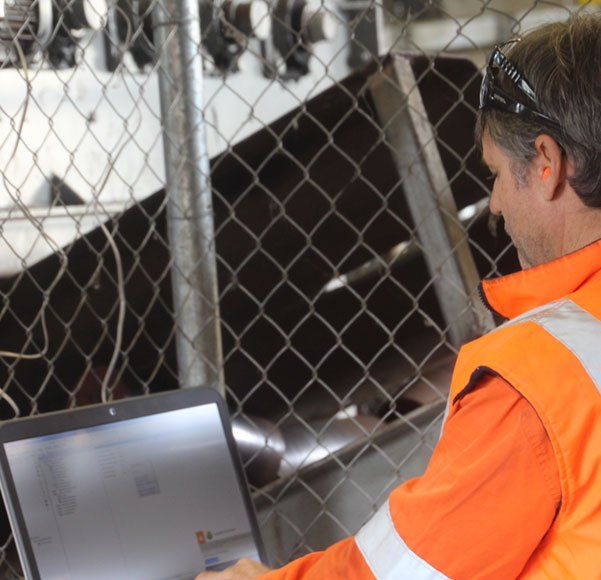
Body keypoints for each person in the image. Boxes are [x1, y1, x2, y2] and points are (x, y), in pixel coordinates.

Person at [197, 12, 601, 579]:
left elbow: (405, 572)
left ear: (546, 164)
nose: (497, 206)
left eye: (498, 174)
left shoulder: (541, 379)